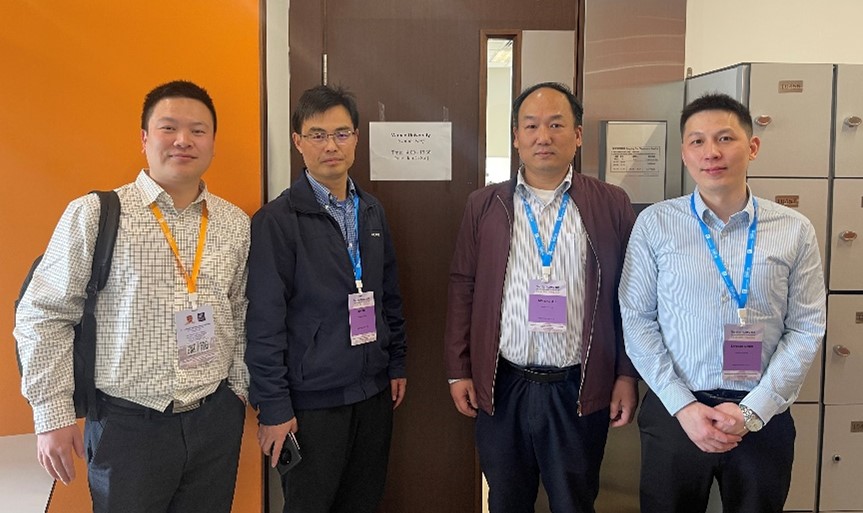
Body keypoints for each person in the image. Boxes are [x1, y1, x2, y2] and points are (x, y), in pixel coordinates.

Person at [14, 80, 250, 513]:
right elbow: (44, 314)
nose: (183, 140)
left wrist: (236, 390)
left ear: (213, 143)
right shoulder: (96, 213)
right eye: (168, 128)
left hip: (214, 420)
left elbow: (239, 308)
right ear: (144, 139)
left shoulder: (234, 223)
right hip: (127, 427)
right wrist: (52, 414)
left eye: (198, 130)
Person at [619, 92, 826, 513]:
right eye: (697, 141)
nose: (711, 152)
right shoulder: (655, 224)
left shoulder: (794, 229)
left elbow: (806, 327)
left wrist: (753, 412)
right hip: (676, 411)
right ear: (684, 153)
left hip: (762, 413)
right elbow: (636, 318)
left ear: (753, 147)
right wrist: (684, 406)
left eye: (725, 138)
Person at [444, 81, 639, 513]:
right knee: (507, 500)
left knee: (574, 501)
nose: (543, 136)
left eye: (556, 124)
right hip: (503, 383)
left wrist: (626, 375)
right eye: (531, 126)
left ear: (578, 134)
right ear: (516, 136)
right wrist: (459, 370)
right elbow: (463, 285)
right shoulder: (485, 204)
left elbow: (632, 296)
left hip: (578, 386)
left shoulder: (611, 204)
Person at [245, 84, 407, 513]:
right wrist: (273, 407)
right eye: (317, 135)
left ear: (356, 138)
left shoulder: (371, 211)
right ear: (298, 142)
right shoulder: (276, 221)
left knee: (363, 503)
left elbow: (389, 295)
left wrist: (396, 363)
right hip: (311, 405)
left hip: (373, 396)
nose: (331, 146)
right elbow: (263, 322)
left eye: (341, 133)